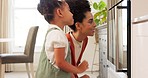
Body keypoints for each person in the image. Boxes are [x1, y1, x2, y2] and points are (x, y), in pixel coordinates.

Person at [35, 0, 89, 78]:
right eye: (69, 10)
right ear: (60, 12)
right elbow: (60, 63)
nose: (72, 14)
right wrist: (78, 69)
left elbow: (58, 64)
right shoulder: (58, 35)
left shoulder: (53, 32)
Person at [65, 0, 96, 78]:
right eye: (90, 21)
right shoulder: (66, 42)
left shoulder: (85, 40)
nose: (95, 25)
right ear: (78, 25)